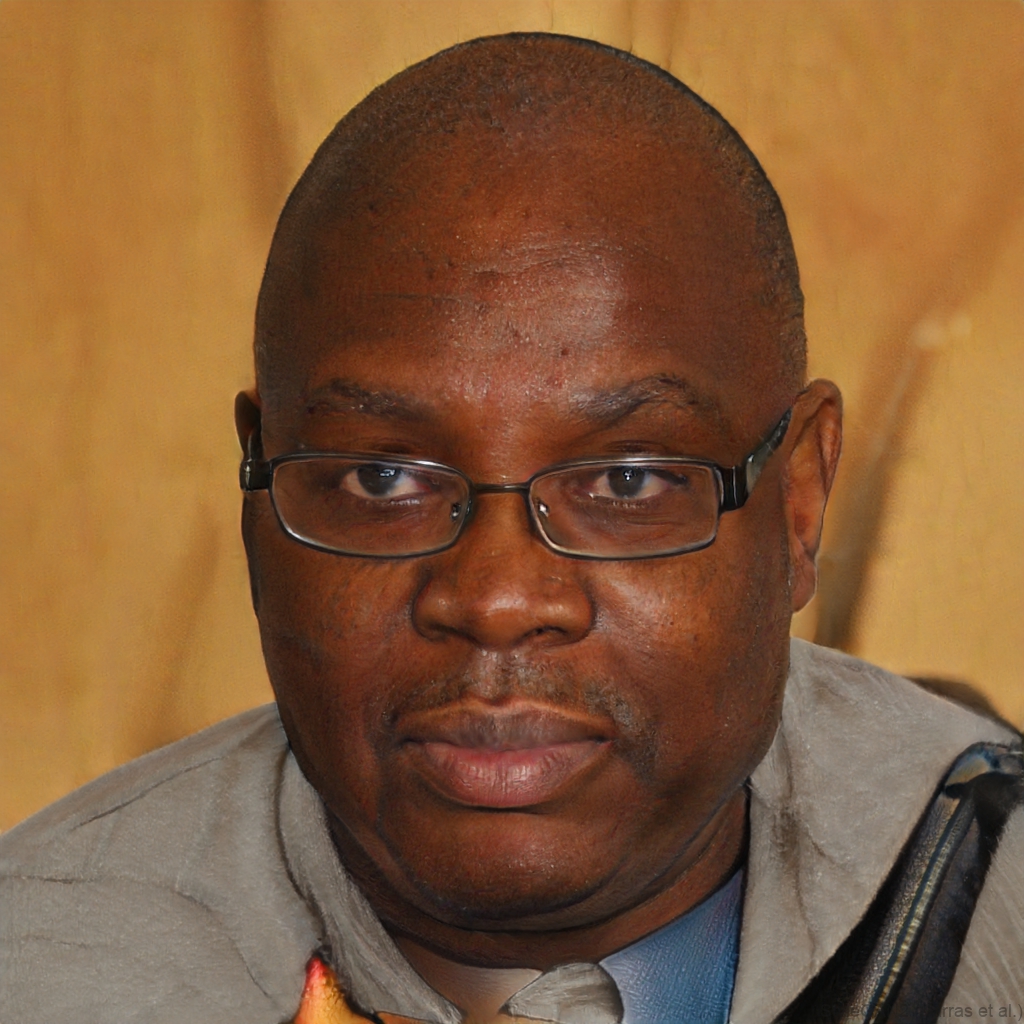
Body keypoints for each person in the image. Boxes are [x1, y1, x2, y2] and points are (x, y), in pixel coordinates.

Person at [1, 33, 1020, 1024]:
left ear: (797, 503)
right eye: (381, 474)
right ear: (257, 495)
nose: (494, 597)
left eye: (626, 480)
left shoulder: (987, 900)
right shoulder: (46, 963)